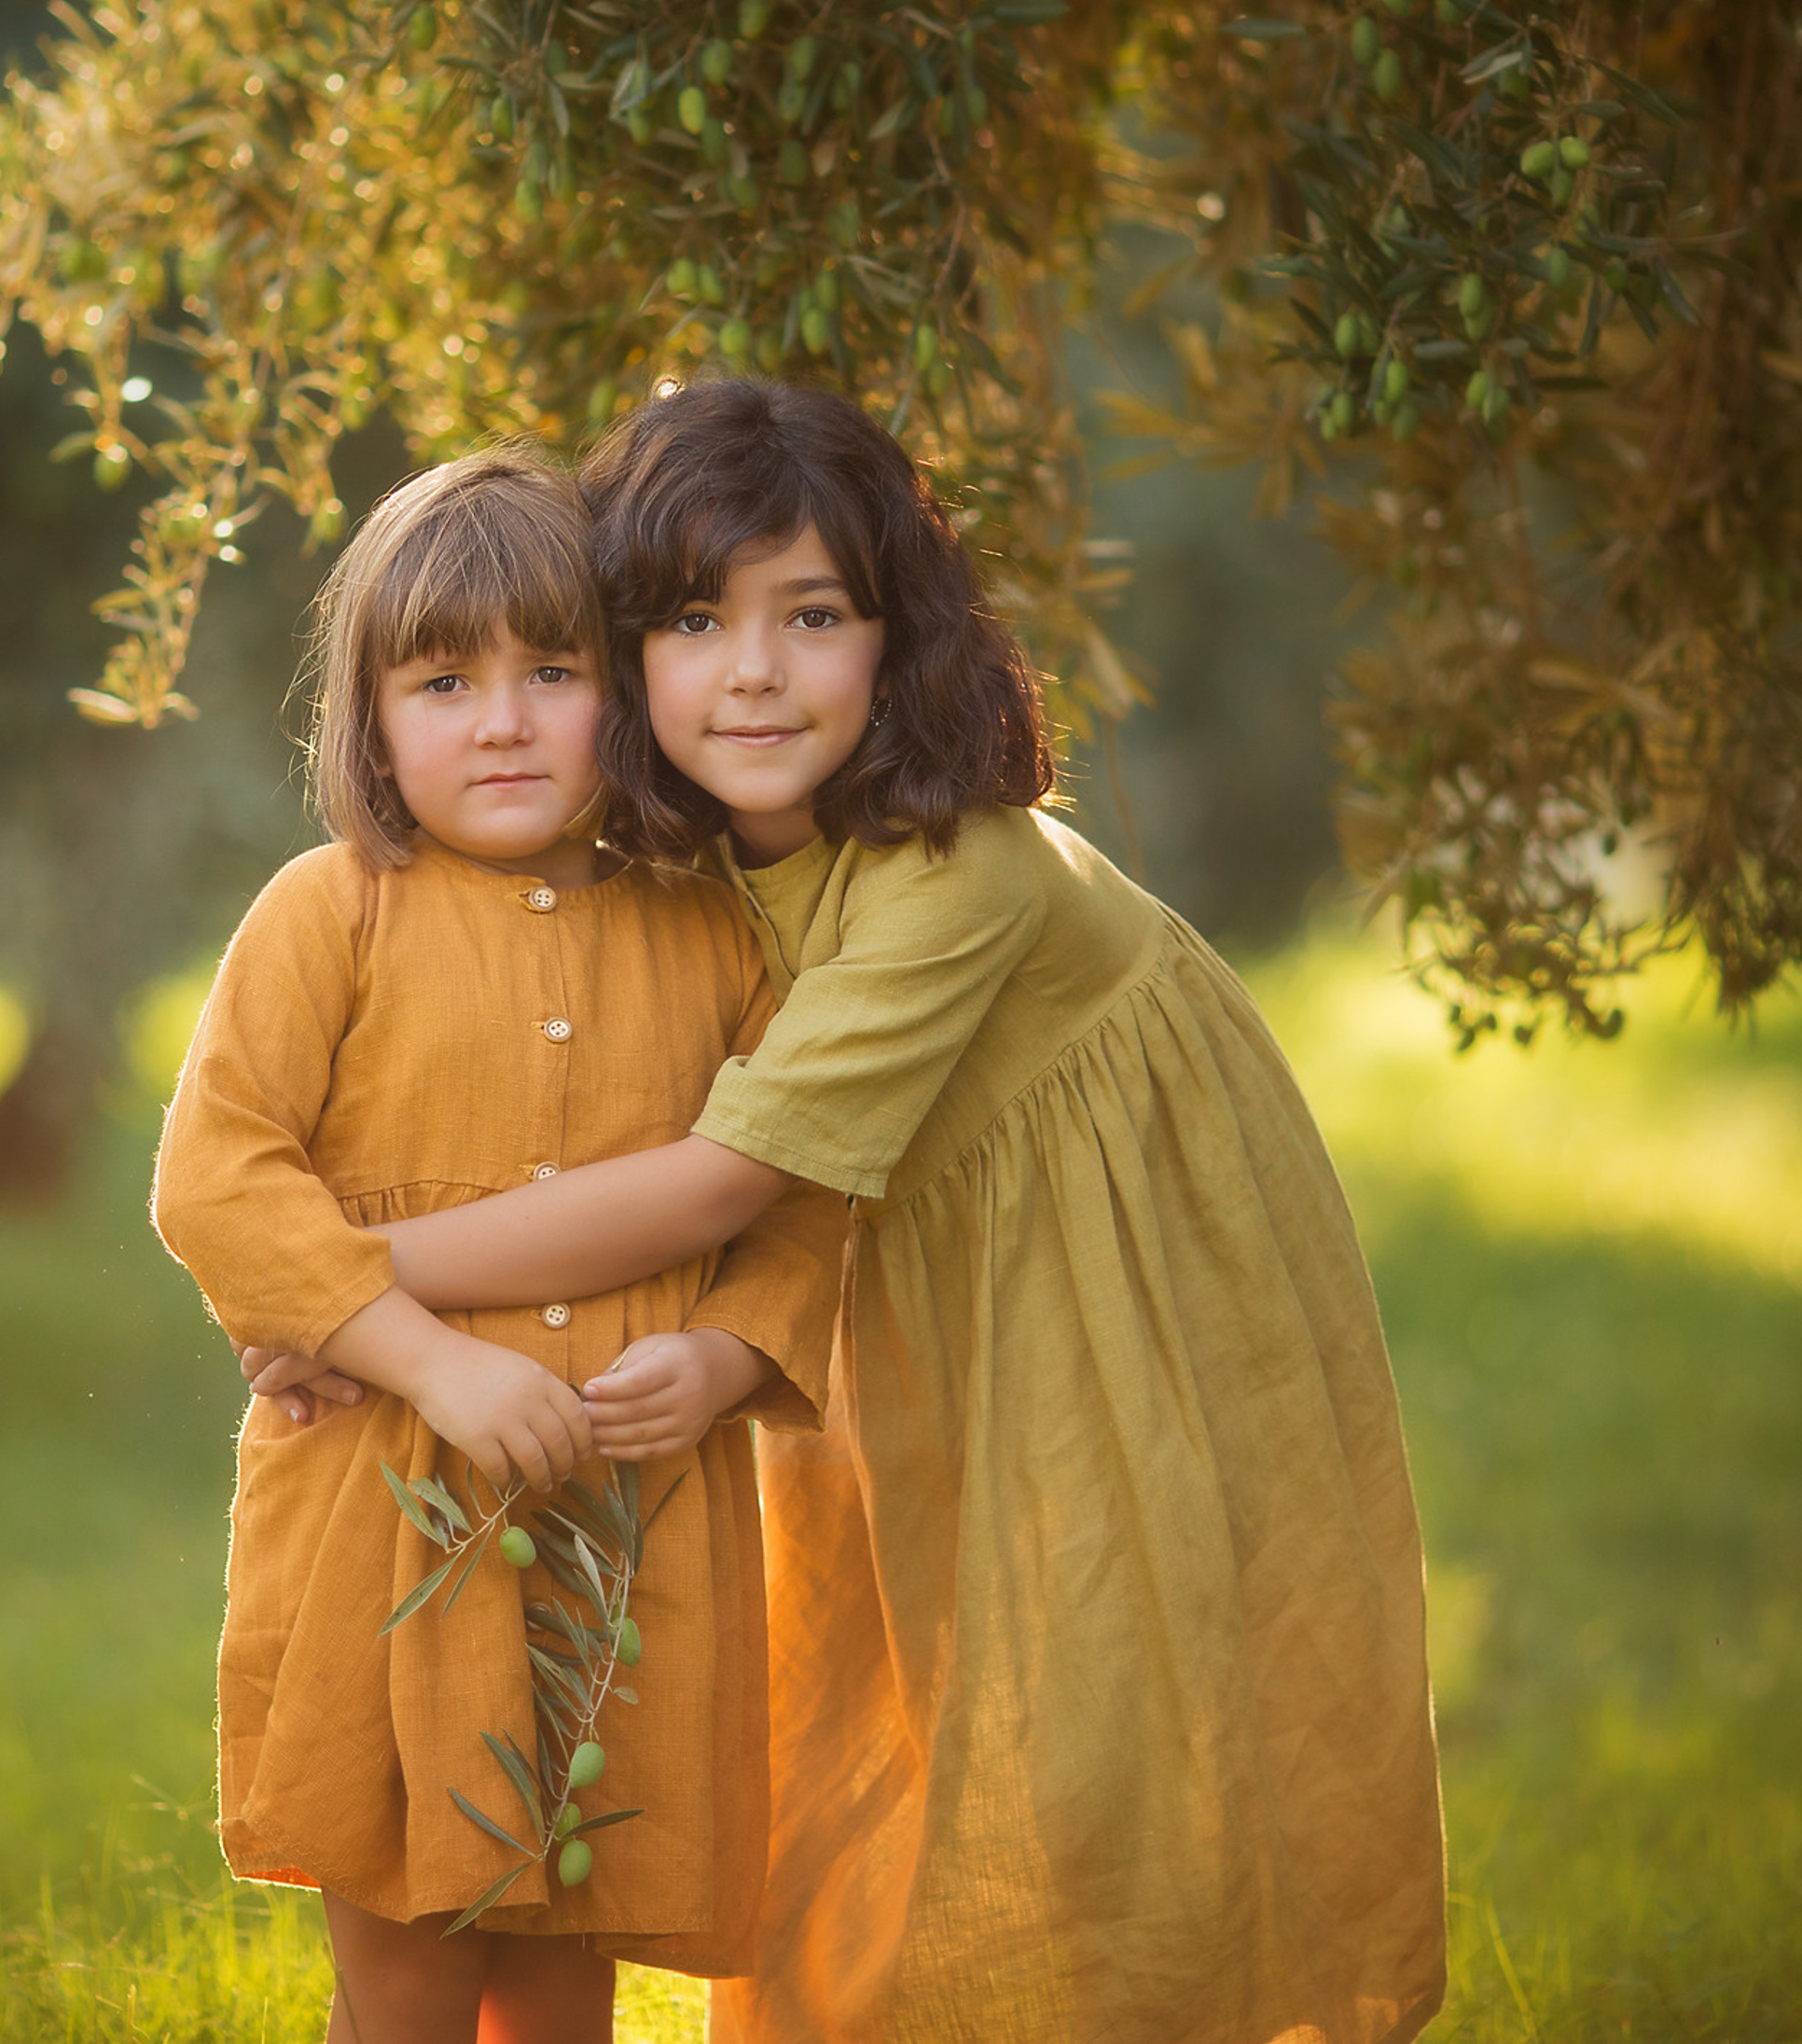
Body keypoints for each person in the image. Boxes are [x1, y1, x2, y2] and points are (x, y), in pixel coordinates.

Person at [252, 381, 1448, 2044]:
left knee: (1100, 1672)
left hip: (1110, 1259)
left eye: (813, 615)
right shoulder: (675, 875)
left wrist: (335, 1289)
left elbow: (727, 1178)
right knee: (876, 1689)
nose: (752, 673)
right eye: (690, 620)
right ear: (625, 656)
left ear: (900, 640)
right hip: (895, 1253)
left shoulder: (964, 869)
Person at [150, 447, 844, 2044]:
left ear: (624, 690)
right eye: (444, 680)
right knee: (402, 1965)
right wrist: (422, 1359)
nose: (506, 719)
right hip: (384, 1518)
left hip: (629, 1521)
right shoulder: (332, 912)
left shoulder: (711, 929)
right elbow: (218, 1177)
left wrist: (730, 1354)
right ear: (373, 720)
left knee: (563, 1969)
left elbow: (809, 1194)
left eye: (553, 671)